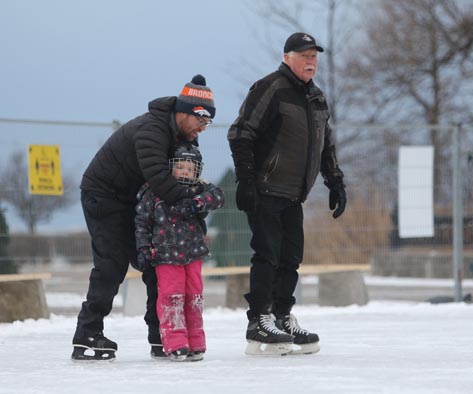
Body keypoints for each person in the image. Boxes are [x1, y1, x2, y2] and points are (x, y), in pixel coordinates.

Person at [71, 74, 216, 361]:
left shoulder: (181, 136)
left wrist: (199, 204)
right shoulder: (153, 129)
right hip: (105, 196)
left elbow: (185, 181)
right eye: (201, 120)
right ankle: (87, 333)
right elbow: (161, 180)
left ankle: (161, 335)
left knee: (156, 262)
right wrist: (191, 206)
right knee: (112, 263)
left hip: (135, 200)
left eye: (207, 122)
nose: (203, 127)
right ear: (185, 113)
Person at [228, 32, 347, 356]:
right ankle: (259, 321)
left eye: (314, 56)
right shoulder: (271, 88)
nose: (311, 62)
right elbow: (241, 134)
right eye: (304, 55)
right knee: (267, 254)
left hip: (295, 194)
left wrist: (335, 181)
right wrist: (247, 180)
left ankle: (281, 315)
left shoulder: (317, 98)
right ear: (287, 57)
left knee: (290, 259)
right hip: (266, 188)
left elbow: (326, 145)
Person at [134, 143, 224, 361]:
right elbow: (142, 222)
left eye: (190, 169)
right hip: (166, 256)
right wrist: (144, 248)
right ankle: (175, 343)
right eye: (180, 167)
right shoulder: (155, 190)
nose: (185, 172)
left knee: (193, 298)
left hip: (193, 253)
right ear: (171, 167)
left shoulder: (198, 189)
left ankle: (196, 343)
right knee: (171, 298)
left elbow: (218, 197)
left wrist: (197, 203)